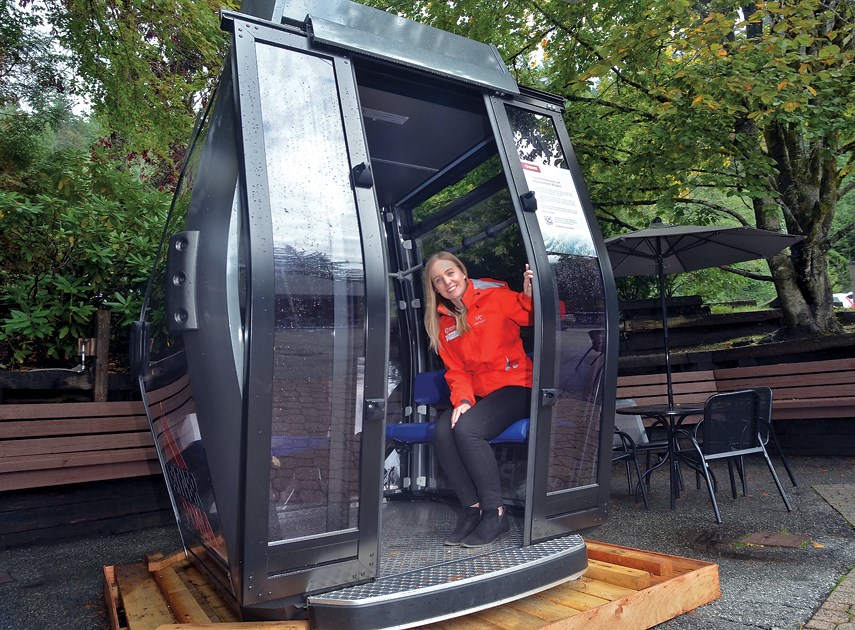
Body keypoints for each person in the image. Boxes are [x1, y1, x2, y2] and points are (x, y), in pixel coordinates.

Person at [422, 251, 534, 547]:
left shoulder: (495, 297)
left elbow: (532, 315)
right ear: (435, 289)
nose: (447, 282)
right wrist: (463, 401)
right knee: (443, 430)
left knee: (468, 429)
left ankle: (495, 513)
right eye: (438, 280)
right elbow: (456, 371)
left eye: (450, 273)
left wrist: (532, 294)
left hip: (517, 386)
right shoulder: (443, 323)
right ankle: (471, 511)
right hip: (483, 395)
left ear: (462, 272)